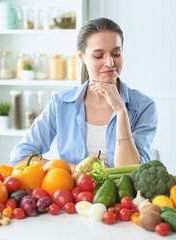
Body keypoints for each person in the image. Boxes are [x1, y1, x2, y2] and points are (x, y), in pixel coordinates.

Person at [10, 18, 157, 171]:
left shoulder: (144, 107)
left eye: (116, 53)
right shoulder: (60, 103)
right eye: (99, 55)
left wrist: (121, 111)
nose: (110, 62)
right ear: (81, 57)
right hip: (73, 194)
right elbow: (20, 157)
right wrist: (77, 169)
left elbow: (131, 171)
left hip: (124, 195)